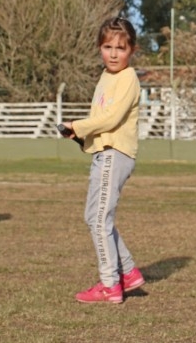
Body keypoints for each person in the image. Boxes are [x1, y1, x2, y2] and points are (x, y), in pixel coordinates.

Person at [60, 17, 145, 304]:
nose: (113, 53)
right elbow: (101, 120)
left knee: (99, 220)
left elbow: (111, 119)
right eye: (107, 46)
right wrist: (79, 137)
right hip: (102, 152)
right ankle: (129, 272)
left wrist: (78, 125)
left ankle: (111, 284)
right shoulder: (106, 77)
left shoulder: (128, 78)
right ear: (99, 47)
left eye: (120, 48)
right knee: (94, 217)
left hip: (114, 154)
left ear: (131, 50)